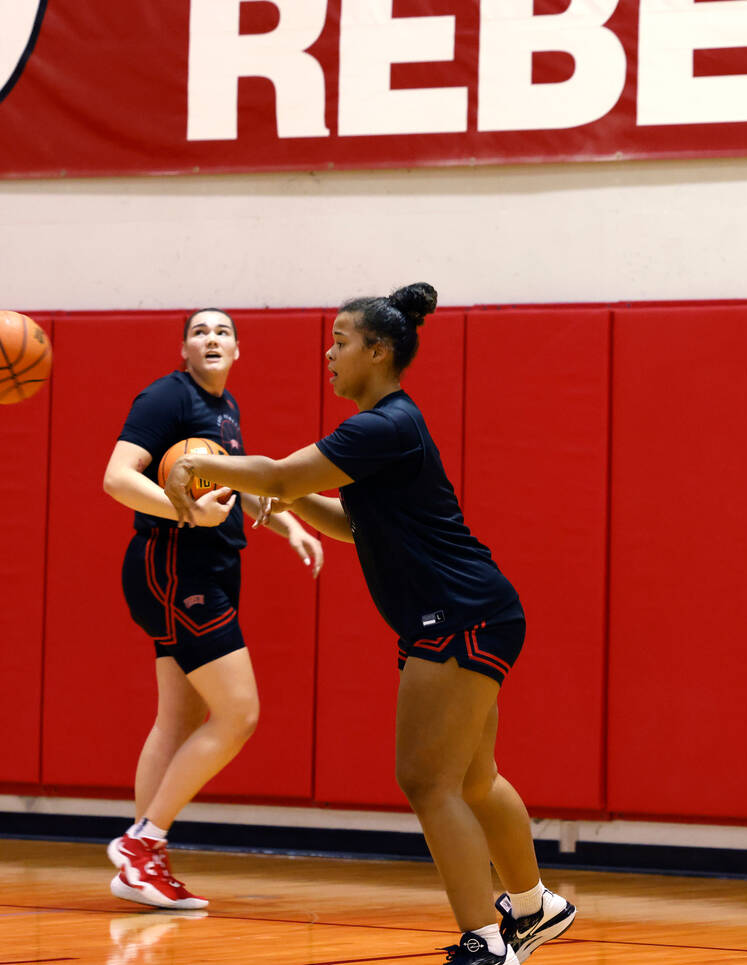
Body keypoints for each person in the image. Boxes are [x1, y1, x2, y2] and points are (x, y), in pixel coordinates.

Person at [162, 286, 575, 965]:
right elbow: (355, 525)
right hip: (476, 610)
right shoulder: (384, 430)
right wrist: (280, 501)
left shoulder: (382, 425)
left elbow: (279, 472)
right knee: (472, 779)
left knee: (425, 779)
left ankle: (488, 939)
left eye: (342, 340)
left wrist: (199, 463)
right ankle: (535, 909)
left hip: (459, 613)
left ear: (379, 351)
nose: (330, 353)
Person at [102, 308, 324, 910]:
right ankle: (141, 843)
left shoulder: (226, 411)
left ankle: (143, 865)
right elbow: (116, 478)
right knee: (239, 714)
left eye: (222, 330)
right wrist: (181, 512)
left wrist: (288, 525)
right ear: (183, 351)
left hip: (206, 570)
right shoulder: (165, 399)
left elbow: (235, 488)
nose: (212, 337)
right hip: (175, 568)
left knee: (176, 720)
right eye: (199, 331)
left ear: (237, 349)